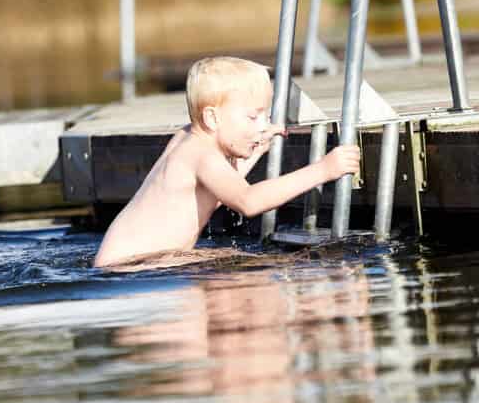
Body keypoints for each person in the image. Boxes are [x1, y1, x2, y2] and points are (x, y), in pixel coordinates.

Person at [93, 56, 362, 268]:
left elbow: (217, 191)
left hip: (127, 261)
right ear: (212, 118)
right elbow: (248, 201)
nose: (263, 125)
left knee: (236, 260)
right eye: (252, 117)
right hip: (134, 266)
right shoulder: (201, 154)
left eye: (265, 115)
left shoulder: (187, 140)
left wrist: (257, 149)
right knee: (252, 264)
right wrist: (324, 169)